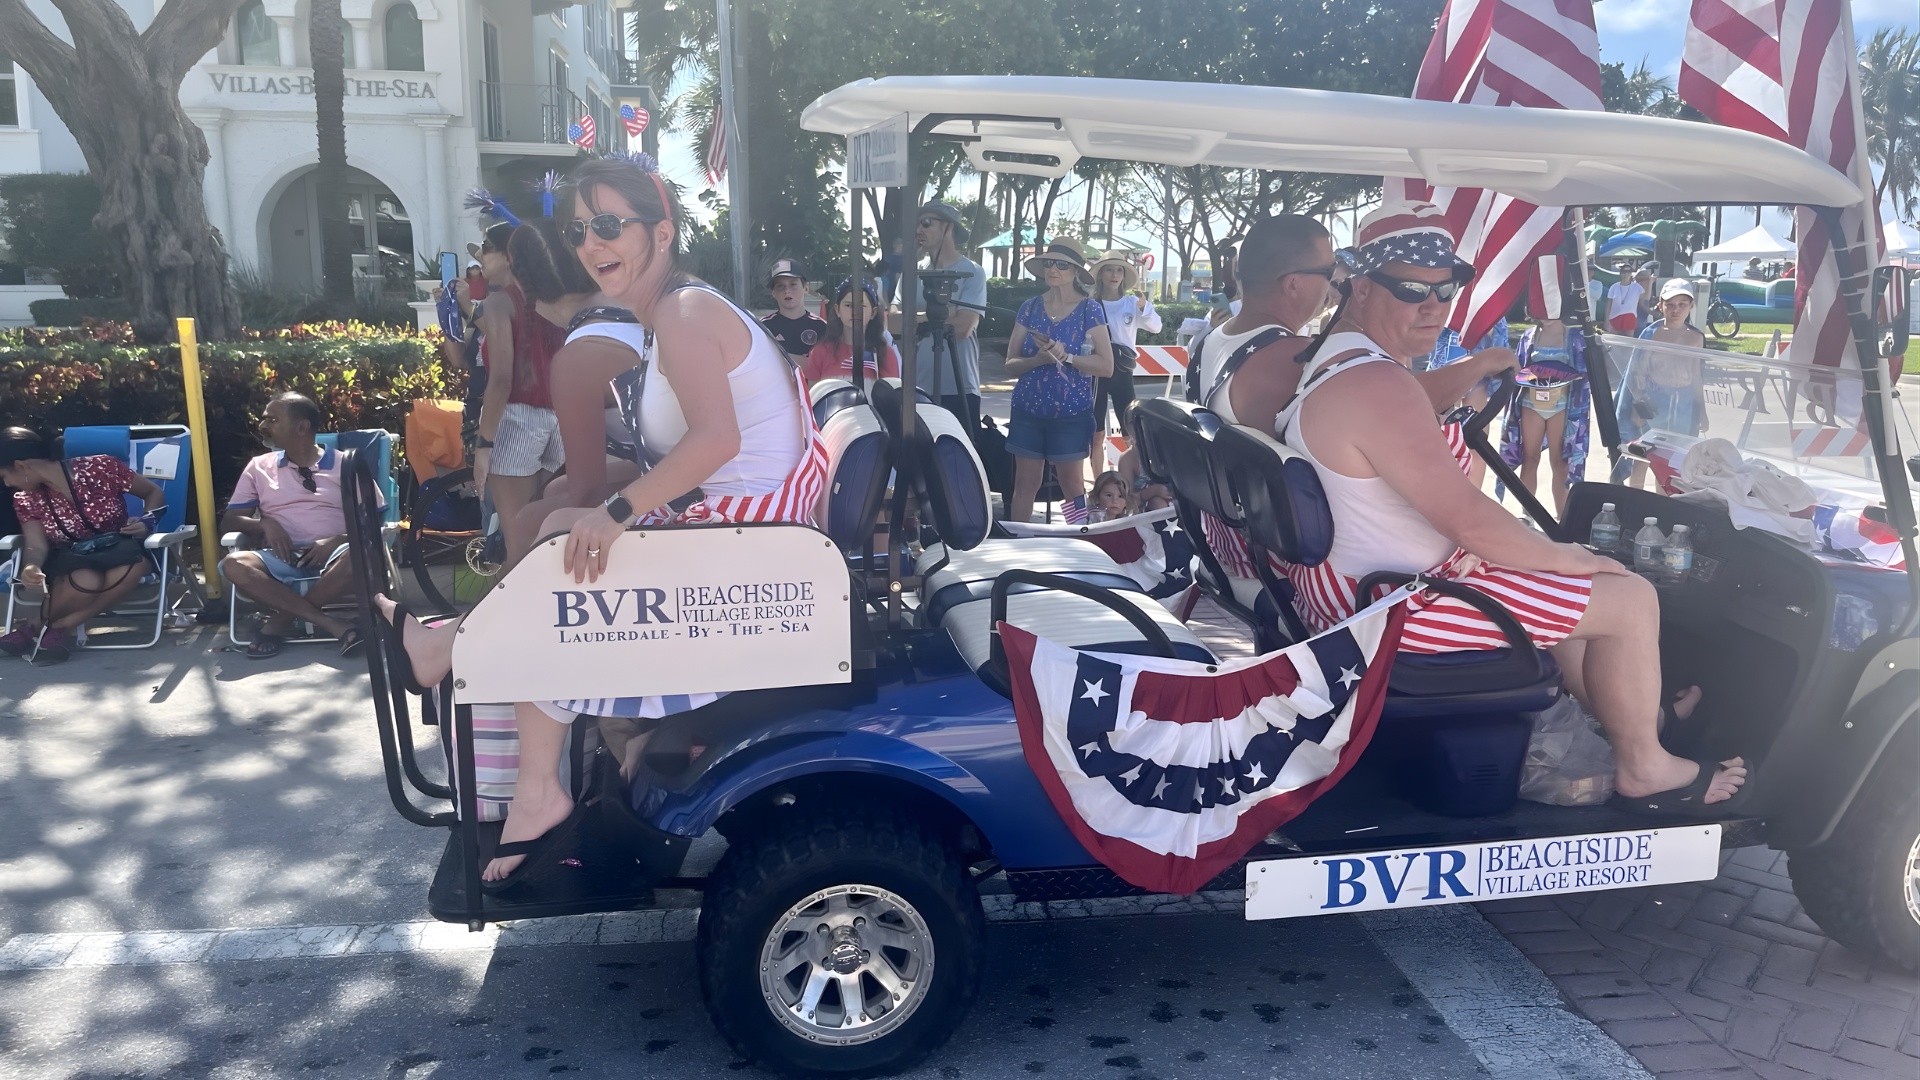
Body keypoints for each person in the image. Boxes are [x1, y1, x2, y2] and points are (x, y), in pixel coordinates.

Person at [376, 154, 829, 886]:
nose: (593, 242)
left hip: (754, 540)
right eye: (581, 228)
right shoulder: (670, 311)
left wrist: (614, 511)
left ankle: (532, 781)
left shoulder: (682, 315)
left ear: (662, 232)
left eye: (611, 225)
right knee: (563, 527)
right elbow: (693, 448)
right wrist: (607, 496)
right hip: (746, 525)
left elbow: (719, 442)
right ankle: (502, 711)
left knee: (562, 544)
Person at [1275, 200, 1743, 811]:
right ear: (1362, 288)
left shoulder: (1337, 362)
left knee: (1563, 593)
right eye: (1412, 289)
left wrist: (1543, 558)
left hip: (1353, 589)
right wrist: (1566, 556)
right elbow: (1468, 519)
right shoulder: (1376, 384)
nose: (1434, 307)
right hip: (1391, 611)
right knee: (1629, 596)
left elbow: (1415, 414)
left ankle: (1630, 718)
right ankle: (1643, 765)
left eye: (1446, 291)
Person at [494, 216, 624, 565]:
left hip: (707, 485)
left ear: (523, 285)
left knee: (526, 524)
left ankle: (497, 616)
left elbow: (587, 492)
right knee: (553, 491)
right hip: (712, 465)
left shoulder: (578, 356)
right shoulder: (625, 305)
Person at [218, 393, 377, 659]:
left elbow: (374, 521)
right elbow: (229, 522)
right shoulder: (259, 467)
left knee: (364, 553)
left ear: (301, 427)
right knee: (234, 564)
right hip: (281, 557)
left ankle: (278, 623)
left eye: (273, 419)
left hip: (337, 556)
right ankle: (334, 626)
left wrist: (336, 541)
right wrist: (264, 524)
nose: (263, 425)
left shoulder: (345, 464)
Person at [0, 427, 168, 664]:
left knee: (134, 565)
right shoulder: (26, 498)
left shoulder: (100, 467)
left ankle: (49, 627)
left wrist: (146, 521)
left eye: (5, 476)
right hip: (72, 558)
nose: (6, 484)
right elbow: (36, 546)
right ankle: (52, 629)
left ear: (21, 466)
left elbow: (153, 492)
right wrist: (31, 567)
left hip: (118, 550)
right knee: (85, 580)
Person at [473, 219, 569, 573]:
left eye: (486, 248)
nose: (480, 255)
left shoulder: (500, 303)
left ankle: (517, 626)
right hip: (558, 420)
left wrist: (483, 445)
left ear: (510, 257)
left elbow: (500, 380)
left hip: (515, 421)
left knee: (518, 548)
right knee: (543, 540)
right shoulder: (556, 303)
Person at [1003, 238, 1113, 525]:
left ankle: (1078, 546)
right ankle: (1019, 546)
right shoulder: (1029, 307)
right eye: (1048, 262)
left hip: (1071, 413)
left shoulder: (1090, 309)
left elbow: (1107, 365)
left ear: (1076, 271)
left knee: (1073, 486)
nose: (1053, 268)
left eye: (1062, 264)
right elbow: (1010, 364)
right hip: (1027, 410)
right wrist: (1039, 359)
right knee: (1025, 484)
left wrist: (1068, 357)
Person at [1612, 279, 1708, 489]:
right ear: (1660, 306)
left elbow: (1696, 375)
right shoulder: (1651, 335)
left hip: (1682, 407)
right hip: (1655, 405)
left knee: (1669, 461)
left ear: (1691, 306)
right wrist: (1638, 407)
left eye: (1682, 304)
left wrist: (1701, 411)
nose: (1676, 310)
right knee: (1643, 457)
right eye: (1670, 304)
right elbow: (1638, 373)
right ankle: (1636, 501)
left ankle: (1659, 506)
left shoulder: (1695, 337)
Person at [907, 201, 989, 431]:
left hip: (960, 388)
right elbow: (893, 321)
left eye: (926, 223)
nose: (918, 231)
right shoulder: (911, 273)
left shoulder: (973, 271)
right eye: (917, 224)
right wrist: (940, 314)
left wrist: (915, 317)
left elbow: (963, 327)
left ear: (949, 228)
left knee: (958, 463)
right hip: (917, 389)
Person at [1498, 317, 1590, 516]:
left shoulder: (1574, 337)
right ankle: (1527, 514)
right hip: (1531, 405)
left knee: (1560, 462)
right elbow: (1518, 370)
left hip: (1562, 406)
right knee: (1530, 459)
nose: (1547, 312)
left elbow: (1585, 375)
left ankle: (1562, 517)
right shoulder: (1529, 335)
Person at [1086, 251, 1161, 466]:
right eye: (1109, 269)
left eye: (1119, 270)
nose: (1114, 274)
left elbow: (1156, 327)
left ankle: (1138, 478)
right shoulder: (1090, 304)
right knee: (1097, 433)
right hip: (1097, 372)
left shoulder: (1132, 303)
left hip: (1123, 372)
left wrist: (1144, 308)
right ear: (1101, 274)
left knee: (1131, 432)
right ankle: (1099, 485)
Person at [805, 278, 901, 385]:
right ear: (837, 310)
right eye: (848, 305)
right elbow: (813, 398)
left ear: (873, 312)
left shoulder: (884, 353)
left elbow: (891, 397)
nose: (855, 312)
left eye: (862, 306)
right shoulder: (819, 353)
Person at [761, 258, 828, 361]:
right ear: (773, 292)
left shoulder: (822, 327)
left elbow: (825, 366)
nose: (787, 291)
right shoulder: (763, 327)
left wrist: (779, 358)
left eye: (793, 284)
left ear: (806, 288)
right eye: (780, 286)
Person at [1606, 267, 1645, 335]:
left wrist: (1650, 281)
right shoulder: (1614, 286)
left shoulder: (1637, 287)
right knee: (1613, 339)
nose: (1626, 274)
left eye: (1628, 272)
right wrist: (1606, 320)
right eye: (1624, 272)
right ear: (1620, 273)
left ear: (1631, 273)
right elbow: (1608, 305)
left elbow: (1644, 301)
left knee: (1629, 340)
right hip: (1614, 316)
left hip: (1630, 316)